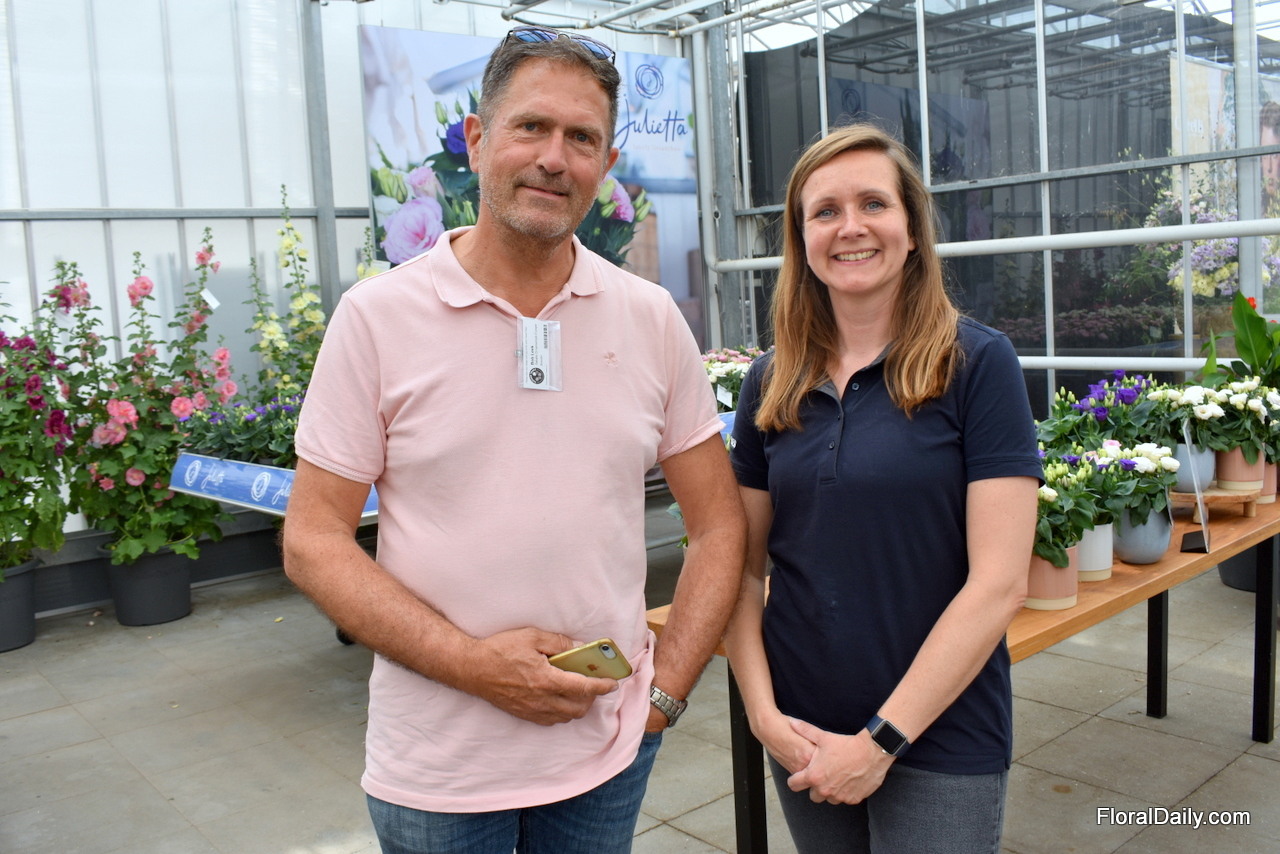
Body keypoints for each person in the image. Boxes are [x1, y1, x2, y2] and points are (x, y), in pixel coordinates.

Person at [283, 26, 745, 854]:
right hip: (441, 774)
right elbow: (313, 540)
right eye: (530, 127)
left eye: (582, 139)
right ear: (476, 138)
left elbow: (718, 525)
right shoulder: (378, 319)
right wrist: (472, 665)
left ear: (607, 164)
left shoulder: (648, 319)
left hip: (607, 756)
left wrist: (666, 692)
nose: (554, 159)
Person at [722, 124, 1041, 853]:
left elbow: (1000, 584)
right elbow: (740, 567)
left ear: (913, 228)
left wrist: (880, 742)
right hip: (801, 729)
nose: (851, 227)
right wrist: (764, 716)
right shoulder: (770, 382)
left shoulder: (976, 365)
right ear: (802, 240)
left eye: (874, 203)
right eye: (825, 211)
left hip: (940, 733)